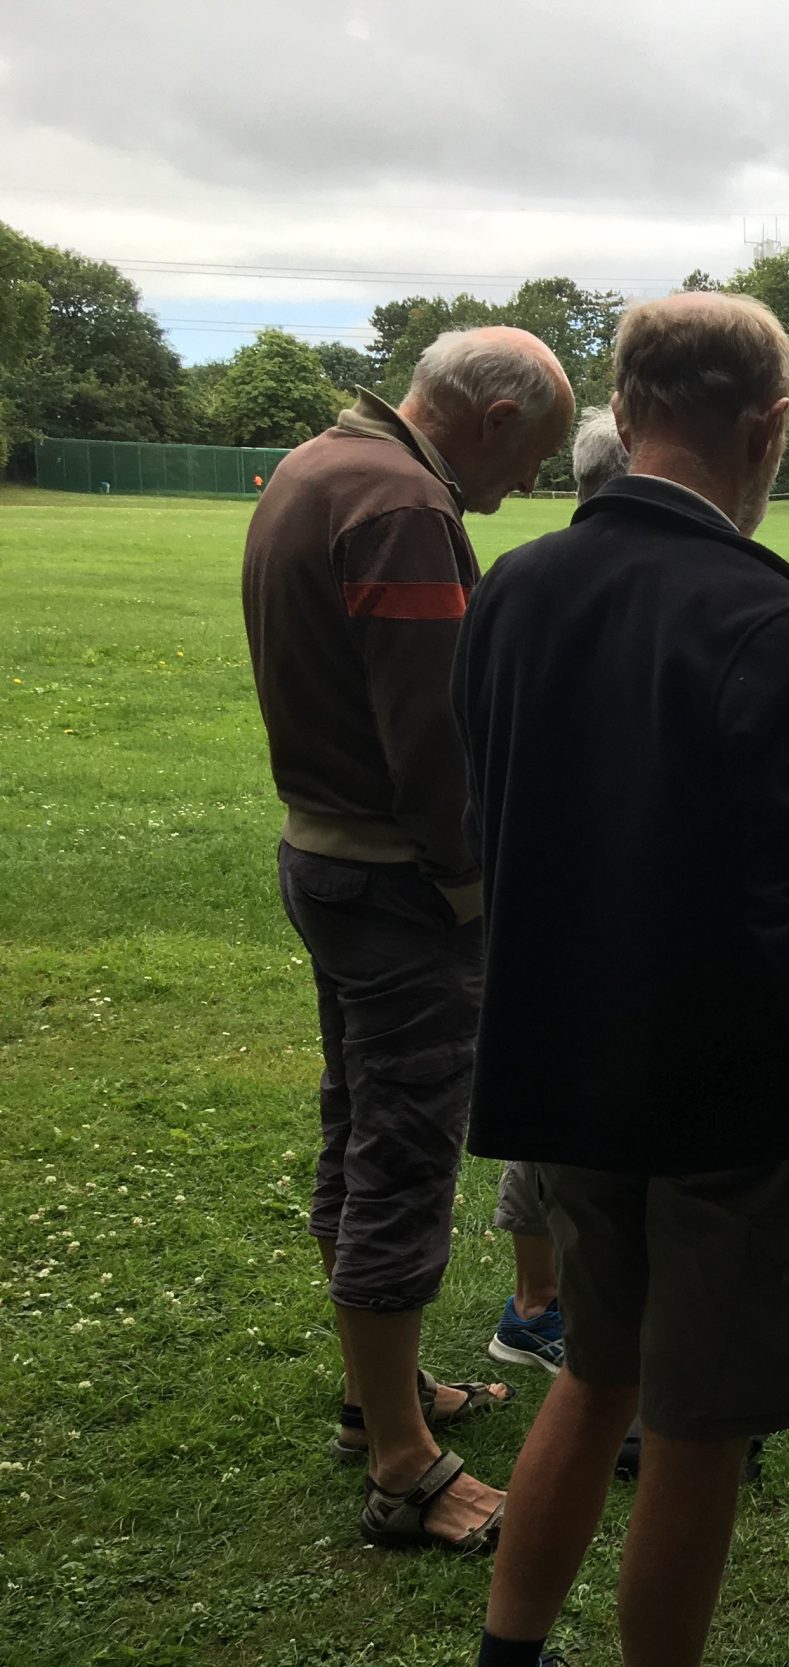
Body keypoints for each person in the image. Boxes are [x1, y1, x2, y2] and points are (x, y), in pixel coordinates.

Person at [430, 291, 789, 1667]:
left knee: (596, 1377)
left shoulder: (511, 588)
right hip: (721, 1108)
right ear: (768, 428)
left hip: (562, 1082)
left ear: (630, 400)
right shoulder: (767, 618)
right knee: (700, 1430)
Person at [243, 325, 572, 1550]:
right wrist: (478, 891)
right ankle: (399, 1460)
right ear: (489, 419)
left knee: (357, 1118)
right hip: (398, 888)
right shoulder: (401, 505)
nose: (527, 485)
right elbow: (436, 745)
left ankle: (374, 1394)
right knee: (405, 1151)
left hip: (325, 861)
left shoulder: (317, 465)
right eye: (531, 457)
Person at [486, 406, 634, 1376]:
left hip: (528, 893)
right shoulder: (601, 592)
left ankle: (544, 1300)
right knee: (563, 1117)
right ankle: (543, 1308)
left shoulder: (518, 580)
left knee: (547, 1102)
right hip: (580, 899)